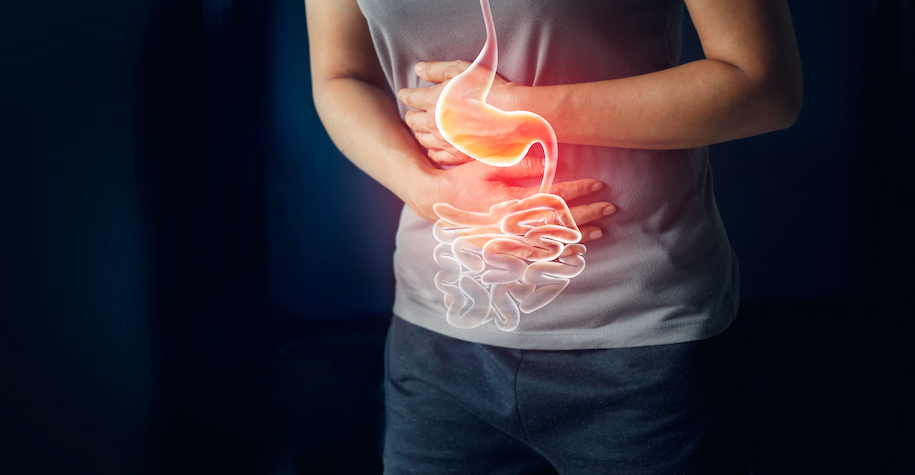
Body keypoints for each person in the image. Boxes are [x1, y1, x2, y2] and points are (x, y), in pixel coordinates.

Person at [305, 0, 802, 473]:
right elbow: (341, 76)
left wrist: (518, 110)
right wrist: (428, 190)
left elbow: (762, 85)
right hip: (439, 340)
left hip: (643, 344)